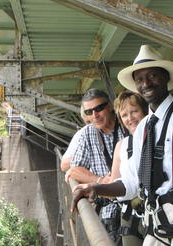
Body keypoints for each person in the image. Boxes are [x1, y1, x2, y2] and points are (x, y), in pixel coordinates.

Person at [71, 45, 173, 245]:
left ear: (166, 78)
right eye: (139, 79)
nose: (146, 83)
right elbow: (132, 183)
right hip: (155, 223)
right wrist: (97, 188)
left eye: (152, 75)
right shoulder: (144, 128)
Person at [68, 88, 126, 244]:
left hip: (134, 203)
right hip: (109, 209)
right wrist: (101, 181)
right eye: (89, 112)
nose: (95, 115)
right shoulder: (88, 133)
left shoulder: (126, 124)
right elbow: (74, 169)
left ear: (110, 106)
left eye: (99, 108)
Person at [110, 91, 148, 245]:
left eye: (134, 111)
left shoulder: (159, 137)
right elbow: (114, 181)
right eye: (124, 115)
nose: (130, 118)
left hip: (157, 213)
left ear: (145, 111)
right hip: (130, 216)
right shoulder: (121, 146)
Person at [60, 105, 92, 172]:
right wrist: (85, 157)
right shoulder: (82, 134)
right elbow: (64, 165)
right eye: (89, 122)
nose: (93, 126)